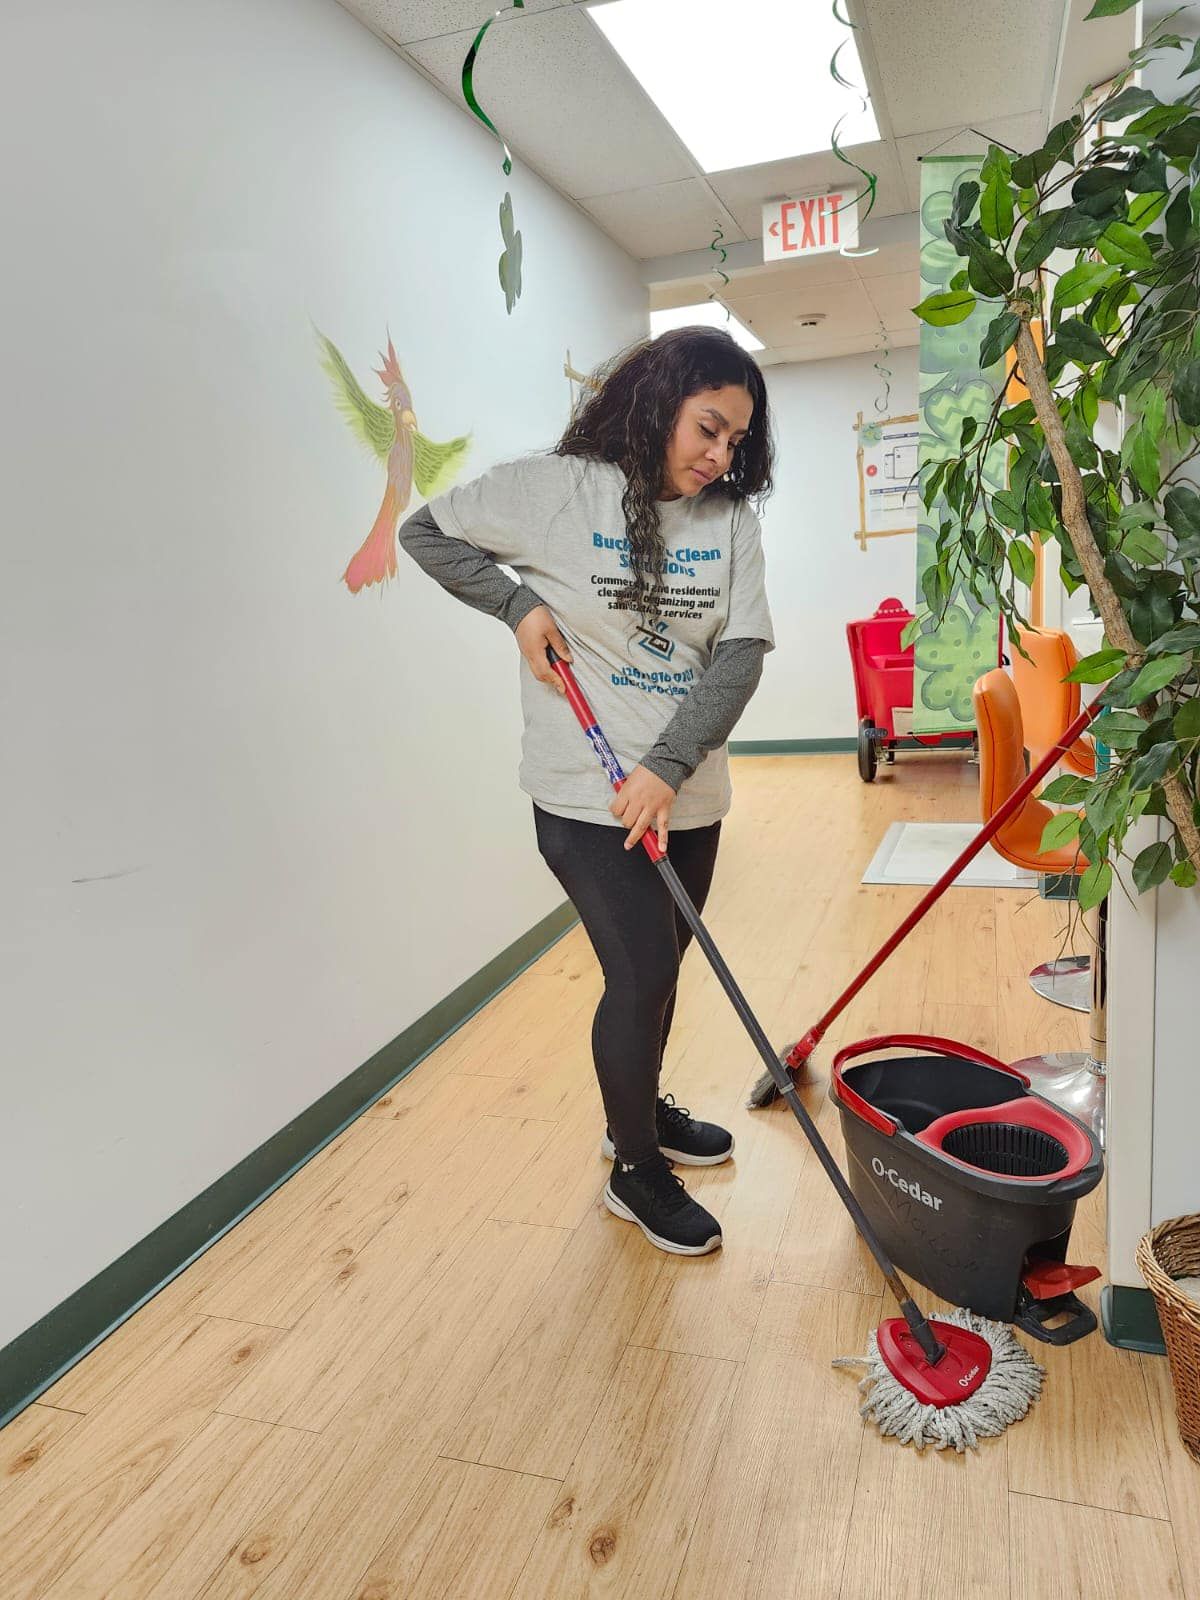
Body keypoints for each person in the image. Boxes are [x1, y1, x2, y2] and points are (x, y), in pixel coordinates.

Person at [398, 326, 774, 1256]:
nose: (721, 455)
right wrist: (517, 606)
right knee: (639, 972)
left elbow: (742, 653)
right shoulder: (555, 490)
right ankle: (634, 1172)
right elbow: (424, 532)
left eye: (736, 441)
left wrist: (669, 767)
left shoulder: (730, 521)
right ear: (658, 404)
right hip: (584, 796)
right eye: (708, 428)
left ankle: (634, 1114)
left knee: (665, 972)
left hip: (687, 794)